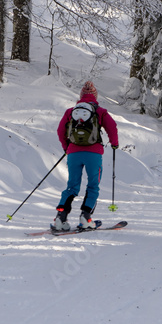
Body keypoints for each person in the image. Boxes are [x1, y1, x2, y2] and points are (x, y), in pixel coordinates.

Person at [53, 81, 118, 230]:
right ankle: (86, 218)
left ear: (80, 96)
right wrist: (114, 143)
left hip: (73, 153)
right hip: (94, 154)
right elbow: (112, 127)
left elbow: (60, 131)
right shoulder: (100, 111)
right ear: (95, 96)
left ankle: (60, 218)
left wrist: (66, 147)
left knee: (72, 186)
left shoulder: (70, 112)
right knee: (93, 186)